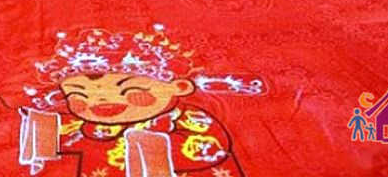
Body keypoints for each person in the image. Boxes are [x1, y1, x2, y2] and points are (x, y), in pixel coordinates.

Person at [19, 26, 245, 176]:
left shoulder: (190, 118)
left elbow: (209, 149)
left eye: (131, 90)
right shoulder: (83, 125)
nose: (101, 99)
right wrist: (43, 128)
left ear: (179, 87)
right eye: (80, 96)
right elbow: (64, 136)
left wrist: (147, 144)